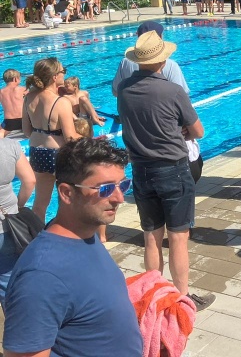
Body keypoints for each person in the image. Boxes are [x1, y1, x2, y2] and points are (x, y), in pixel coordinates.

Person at [2, 138, 142, 356]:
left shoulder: (85, 234)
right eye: (105, 189)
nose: (120, 198)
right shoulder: (42, 276)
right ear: (67, 193)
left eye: (123, 184)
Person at [116, 31, 212, 310]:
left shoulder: (124, 90)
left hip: (141, 171)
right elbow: (199, 132)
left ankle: (152, 296)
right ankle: (181, 299)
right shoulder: (172, 90)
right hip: (173, 169)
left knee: (151, 236)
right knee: (179, 238)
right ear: (163, 59)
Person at [22, 59, 79, 220]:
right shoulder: (61, 102)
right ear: (55, 77)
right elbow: (70, 137)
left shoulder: (28, 98)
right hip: (58, 154)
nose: (65, 74)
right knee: (67, 200)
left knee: (40, 203)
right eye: (63, 71)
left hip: (37, 152)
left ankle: (36, 236)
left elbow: (27, 132)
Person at [0, 137, 35, 305]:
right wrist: (18, 206)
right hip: (6, 224)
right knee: (8, 282)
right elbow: (29, 181)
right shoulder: (9, 145)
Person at [112, 22, 189, 96]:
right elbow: (182, 96)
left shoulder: (125, 63)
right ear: (161, 37)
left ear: (138, 38)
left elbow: (116, 92)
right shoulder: (171, 66)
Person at [0, 70, 26, 138]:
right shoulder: (22, 89)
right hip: (23, 120)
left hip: (9, 122)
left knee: (1, 131)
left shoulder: (1, 92)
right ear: (15, 79)